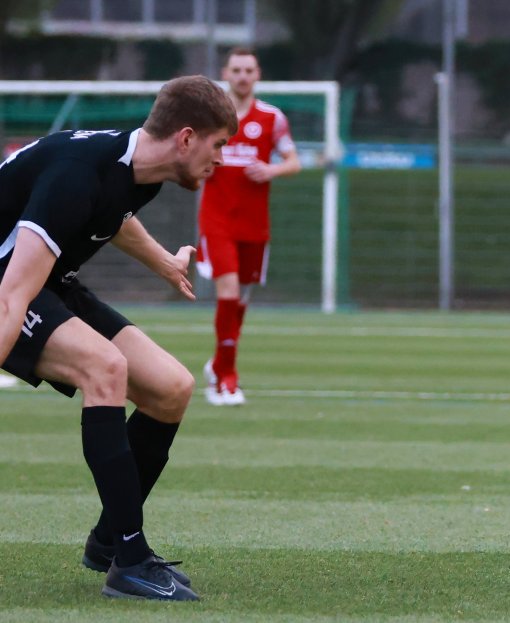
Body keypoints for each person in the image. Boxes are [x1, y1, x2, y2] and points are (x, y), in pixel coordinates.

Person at [0, 75, 237, 601]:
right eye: (218, 145)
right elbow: (12, 293)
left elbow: (116, 214)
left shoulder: (138, 169)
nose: (220, 159)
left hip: (48, 281)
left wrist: (163, 263)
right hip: (6, 282)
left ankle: (109, 540)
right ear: (186, 138)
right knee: (104, 368)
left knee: (170, 387)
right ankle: (131, 562)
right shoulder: (75, 175)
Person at [198, 47, 301, 407]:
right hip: (217, 220)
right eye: (236, 70)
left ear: (257, 75)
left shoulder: (272, 118)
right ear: (225, 73)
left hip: (255, 224)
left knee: (240, 299)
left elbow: (293, 161)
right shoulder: (210, 116)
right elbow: (191, 157)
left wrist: (270, 169)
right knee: (227, 292)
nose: (242, 76)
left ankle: (219, 362)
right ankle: (225, 379)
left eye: (249, 70)